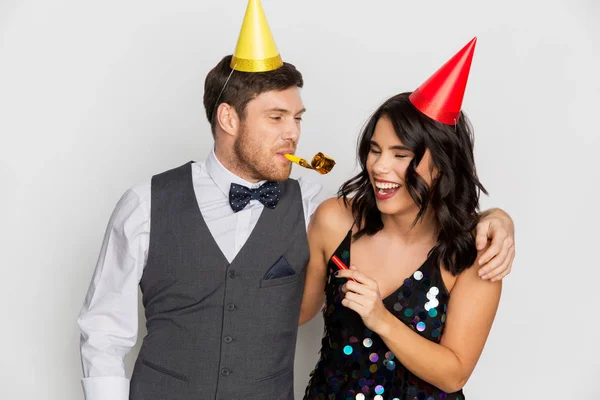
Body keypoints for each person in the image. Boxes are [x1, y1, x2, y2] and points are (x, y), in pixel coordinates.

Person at [77, 1, 514, 398]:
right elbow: (103, 333)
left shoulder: (309, 202)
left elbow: (412, 207)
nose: (294, 133)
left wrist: (494, 218)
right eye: (276, 117)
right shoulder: (146, 205)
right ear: (228, 118)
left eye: (297, 118)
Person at [301, 38, 505, 399]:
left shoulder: (472, 254)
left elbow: (454, 374)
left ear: (440, 165)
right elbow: (293, 314)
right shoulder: (334, 220)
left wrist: (379, 318)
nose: (380, 167)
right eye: (375, 150)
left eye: (401, 154)